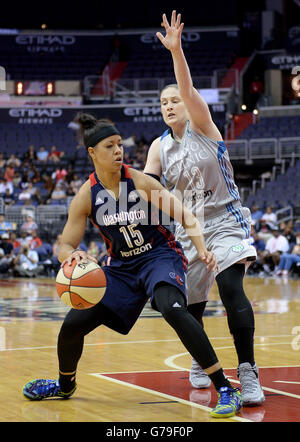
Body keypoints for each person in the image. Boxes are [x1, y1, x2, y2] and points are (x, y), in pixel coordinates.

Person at [23, 112, 243, 418]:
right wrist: (72, 256)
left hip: (159, 255)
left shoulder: (140, 181)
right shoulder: (86, 196)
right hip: (121, 268)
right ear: (92, 153)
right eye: (109, 146)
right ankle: (64, 385)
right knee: (72, 325)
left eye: (119, 145)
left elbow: (186, 216)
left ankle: (225, 389)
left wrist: (203, 248)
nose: (117, 151)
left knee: (172, 308)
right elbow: (65, 244)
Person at [143, 11, 264, 405]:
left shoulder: (203, 125)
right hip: (187, 228)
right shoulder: (159, 146)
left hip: (225, 218)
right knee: (192, 305)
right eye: (163, 102)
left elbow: (188, 89)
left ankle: (248, 372)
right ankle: (201, 358)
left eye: (174, 99)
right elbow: (147, 184)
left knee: (230, 288)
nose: (169, 105)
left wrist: (176, 52)